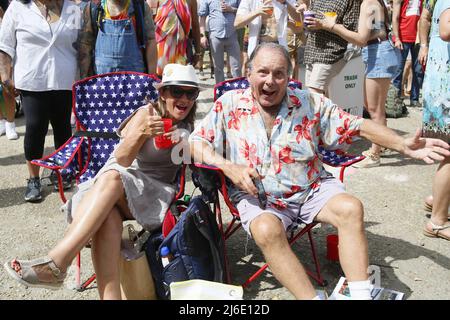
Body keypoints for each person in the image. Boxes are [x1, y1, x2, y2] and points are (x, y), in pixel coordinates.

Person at [189, 43, 450, 299]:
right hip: (257, 196)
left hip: (310, 189)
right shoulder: (229, 104)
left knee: (351, 208)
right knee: (267, 230)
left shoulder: (309, 102)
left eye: (279, 73)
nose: (271, 81)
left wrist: (403, 144)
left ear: (289, 77)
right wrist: (228, 166)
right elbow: (195, 142)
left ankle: (360, 295)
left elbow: (358, 126)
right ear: (249, 72)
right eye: (263, 72)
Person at [3, 64, 201, 299]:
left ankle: (57, 263)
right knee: (108, 209)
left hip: (154, 194)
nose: (184, 98)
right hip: (118, 182)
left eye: (191, 93)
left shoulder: (190, 127)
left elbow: (192, 160)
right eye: (177, 91)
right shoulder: (146, 114)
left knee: (112, 178)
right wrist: (141, 133)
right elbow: (123, 158)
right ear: (163, 93)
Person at [0, 0, 82, 202]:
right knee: (35, 128)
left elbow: (83, 45)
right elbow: (5, 46)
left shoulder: (73, 9)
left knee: (63, 129)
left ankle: (60, 173)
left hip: (65, 80)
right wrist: (5, 77)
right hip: (32, 80)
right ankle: (33, 179)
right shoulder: (18, 8)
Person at [308, 0, 401, 168]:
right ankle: (382, 144)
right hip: (378, 53)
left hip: (378, 54)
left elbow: (360, 39)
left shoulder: (368, 3)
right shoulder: (373, 2)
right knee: (373, 107)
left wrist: (332, 26)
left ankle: (375, 154)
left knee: (375, 110)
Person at [420, 0, 450, 241]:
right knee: (449, 154)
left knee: (446, 153)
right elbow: (446, 30)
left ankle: (437, 201)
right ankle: (438, 222)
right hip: (445, 90)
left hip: (441, 86)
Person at [78, 0, 157, 78]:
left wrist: (152, 77)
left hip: (134, 82)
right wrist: (84, 78)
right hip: (102, 82)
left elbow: (150, 40)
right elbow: (85, 44)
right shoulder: (94, 7)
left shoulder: (140, 7)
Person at [302, 0, 361, 96]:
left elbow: (352, 30)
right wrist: (307, 21)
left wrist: (326, 26)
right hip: (311, 52)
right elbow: (310, 24)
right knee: (320, 98)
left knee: (313, 94)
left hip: (330, 53)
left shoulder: (351, 1)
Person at [234, 0, 301, 57]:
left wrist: (285, 2)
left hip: (279, 45)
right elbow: (237, 24)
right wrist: (257, 12)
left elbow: (299, 20)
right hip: (258, 46)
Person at [199, 0, 242, 83]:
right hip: (215, 36)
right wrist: (202, 36)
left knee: (236, 66)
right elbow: (202, 18)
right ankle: (220, 92)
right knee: (218, 68)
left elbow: (243, 12)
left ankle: (238, 91)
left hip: (232, 35)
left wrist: (231, 9)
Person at [154, 0, 201, 76]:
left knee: (179, 82)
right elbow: (149, 24)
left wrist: (198, 52)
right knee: (160, 82)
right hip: (160, 53)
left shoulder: (191, 1)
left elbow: (195, 26)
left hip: (181, 53)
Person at [391, 0, 424, 109]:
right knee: (398, 71)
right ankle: (395, 101)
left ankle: (414, 99)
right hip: (403, 37)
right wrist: (397, 38)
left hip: (418, 38)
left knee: (418, 70)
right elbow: (395, 17)